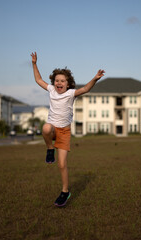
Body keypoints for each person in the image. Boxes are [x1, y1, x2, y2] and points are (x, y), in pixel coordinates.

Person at [31, 52, 105, 207]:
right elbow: (38, 79)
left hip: (64, 132)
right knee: (45, 127)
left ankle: (65, 192)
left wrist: (95, 79)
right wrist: (34, 63)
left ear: (68, 83)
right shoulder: (51, 90)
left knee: (62, 164)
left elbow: (85, 89)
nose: (59, 83)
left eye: (62, 81)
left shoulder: (71, 93)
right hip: (52, 129)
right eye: (57, 80)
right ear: (54, 82)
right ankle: (49, 149)